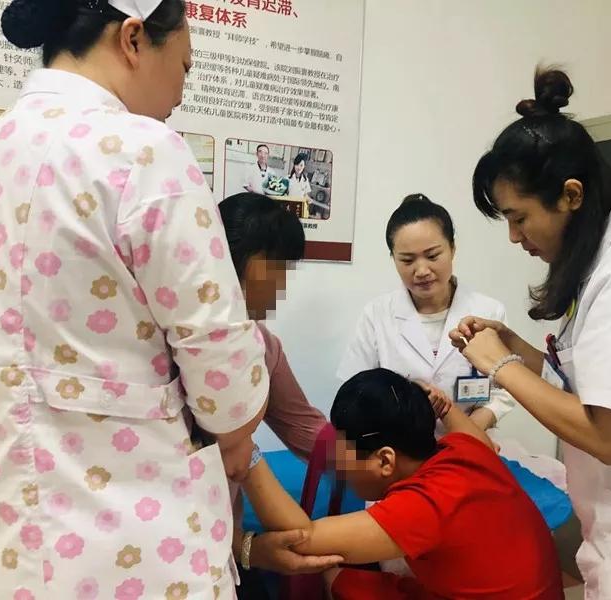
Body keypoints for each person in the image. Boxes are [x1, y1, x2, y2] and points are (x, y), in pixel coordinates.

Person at [0, 1, 270, 598]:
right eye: (185, 68)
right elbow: (222, 372)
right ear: (133, 40)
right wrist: (238, 432)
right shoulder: (145, 151)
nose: (181, 93)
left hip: (2, 545)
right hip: (131, 548)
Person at [453, 67, 611, 599]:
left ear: (571, 195)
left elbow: (609, 435)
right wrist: (517, 349)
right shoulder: (605, 264)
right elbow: (592, 383)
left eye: (519, 217)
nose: (514, 237)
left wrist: (499, 365)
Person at [241, 368, 564, 600]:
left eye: (343, 457)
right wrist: (444, 407)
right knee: (342, 578)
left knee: (333, 574)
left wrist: (245, 452)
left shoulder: (423, 506)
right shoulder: (464, 448)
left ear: (385, 461)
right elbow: (478, 438)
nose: (338, 468)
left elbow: (302, 539)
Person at [217, 193, 335, 596]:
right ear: (256, 264)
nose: (283, 284)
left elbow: (309, 431)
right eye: (282, 269)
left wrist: (393, 461)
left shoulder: (263, 347)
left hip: (227, 544)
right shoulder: (167, 348)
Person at [338, 194, 516, 433]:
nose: (421, 270)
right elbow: (355, 391)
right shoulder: (376, 315)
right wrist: (402, 395)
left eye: (432, 256)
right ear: (393, 259)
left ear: (452, 249)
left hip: (472, 441)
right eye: (407, 260)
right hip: (400, 445)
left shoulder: (488, 311)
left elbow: (506, 388)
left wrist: (469, 432)